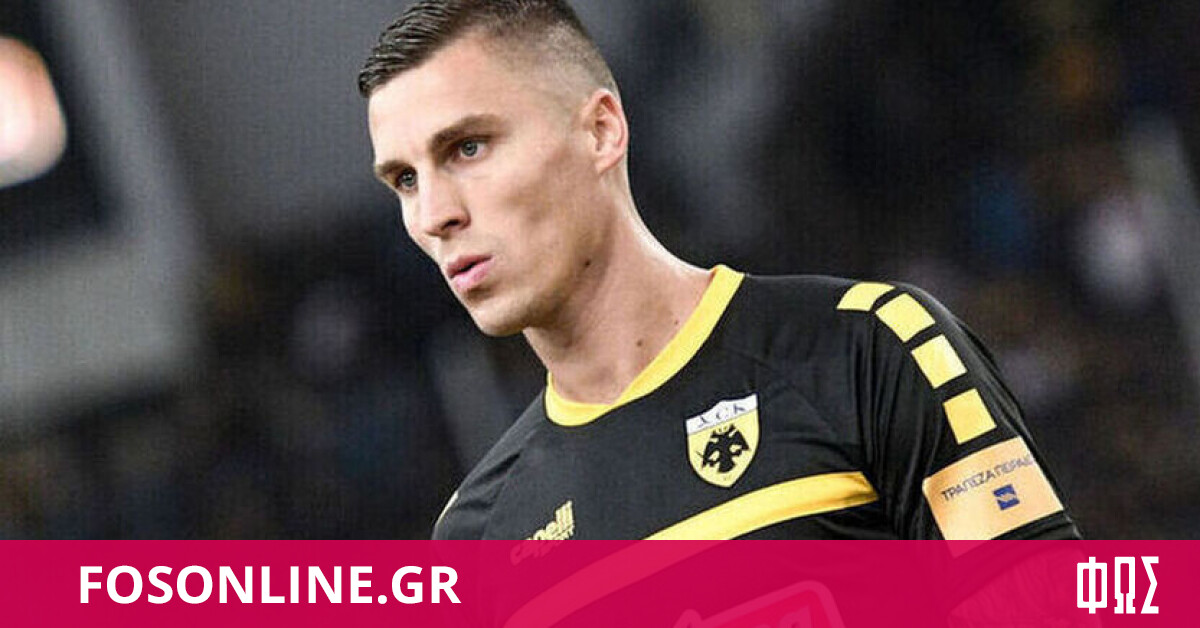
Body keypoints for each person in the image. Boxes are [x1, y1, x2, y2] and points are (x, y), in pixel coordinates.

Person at [358, 0, 1080, 541]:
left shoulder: (867, 354)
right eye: (405, 180)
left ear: (600, 131)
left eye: (468, 148)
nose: (434, 214)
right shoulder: (480, 535)